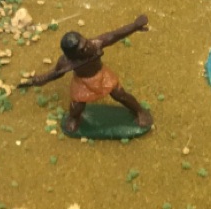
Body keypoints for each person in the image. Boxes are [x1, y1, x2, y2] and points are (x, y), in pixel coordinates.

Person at [20, 15, 153, 134]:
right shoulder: (67, 62)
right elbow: (56, 74)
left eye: (86, 42)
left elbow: (114, 35)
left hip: (102, 75)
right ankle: (74, 119)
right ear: (73, 55)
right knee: (77, 106)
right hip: (82, 82)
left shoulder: (96, 45)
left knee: (120, 94)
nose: (88, 47)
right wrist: (41, 79)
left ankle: (139, 111)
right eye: (82, 49)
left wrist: (134, 26)